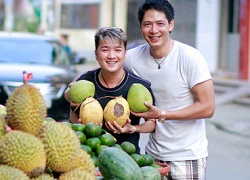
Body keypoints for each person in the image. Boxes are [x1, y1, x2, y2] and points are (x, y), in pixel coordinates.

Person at [115, 0, 215, 179]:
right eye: (147, 24)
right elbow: (106, 66)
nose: (154, 30)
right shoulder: (132, 58)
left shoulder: (190, 57)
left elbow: (208, 107)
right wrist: (71, 89)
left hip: (187, 156)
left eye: (160, 23)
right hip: (152, 156)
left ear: (171, 25)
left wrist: (163, 114)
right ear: (141, 27)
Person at [64, 27, 156, 154]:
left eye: (118, 50)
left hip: (128, 159)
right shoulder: (85, 81)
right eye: (105, 50)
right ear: (96, 54)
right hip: (90, 157)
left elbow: (152, 123)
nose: (111, 56)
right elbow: (72, 115)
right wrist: (82, 126)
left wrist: (133, 128)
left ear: (125, 54)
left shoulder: (139, 86)